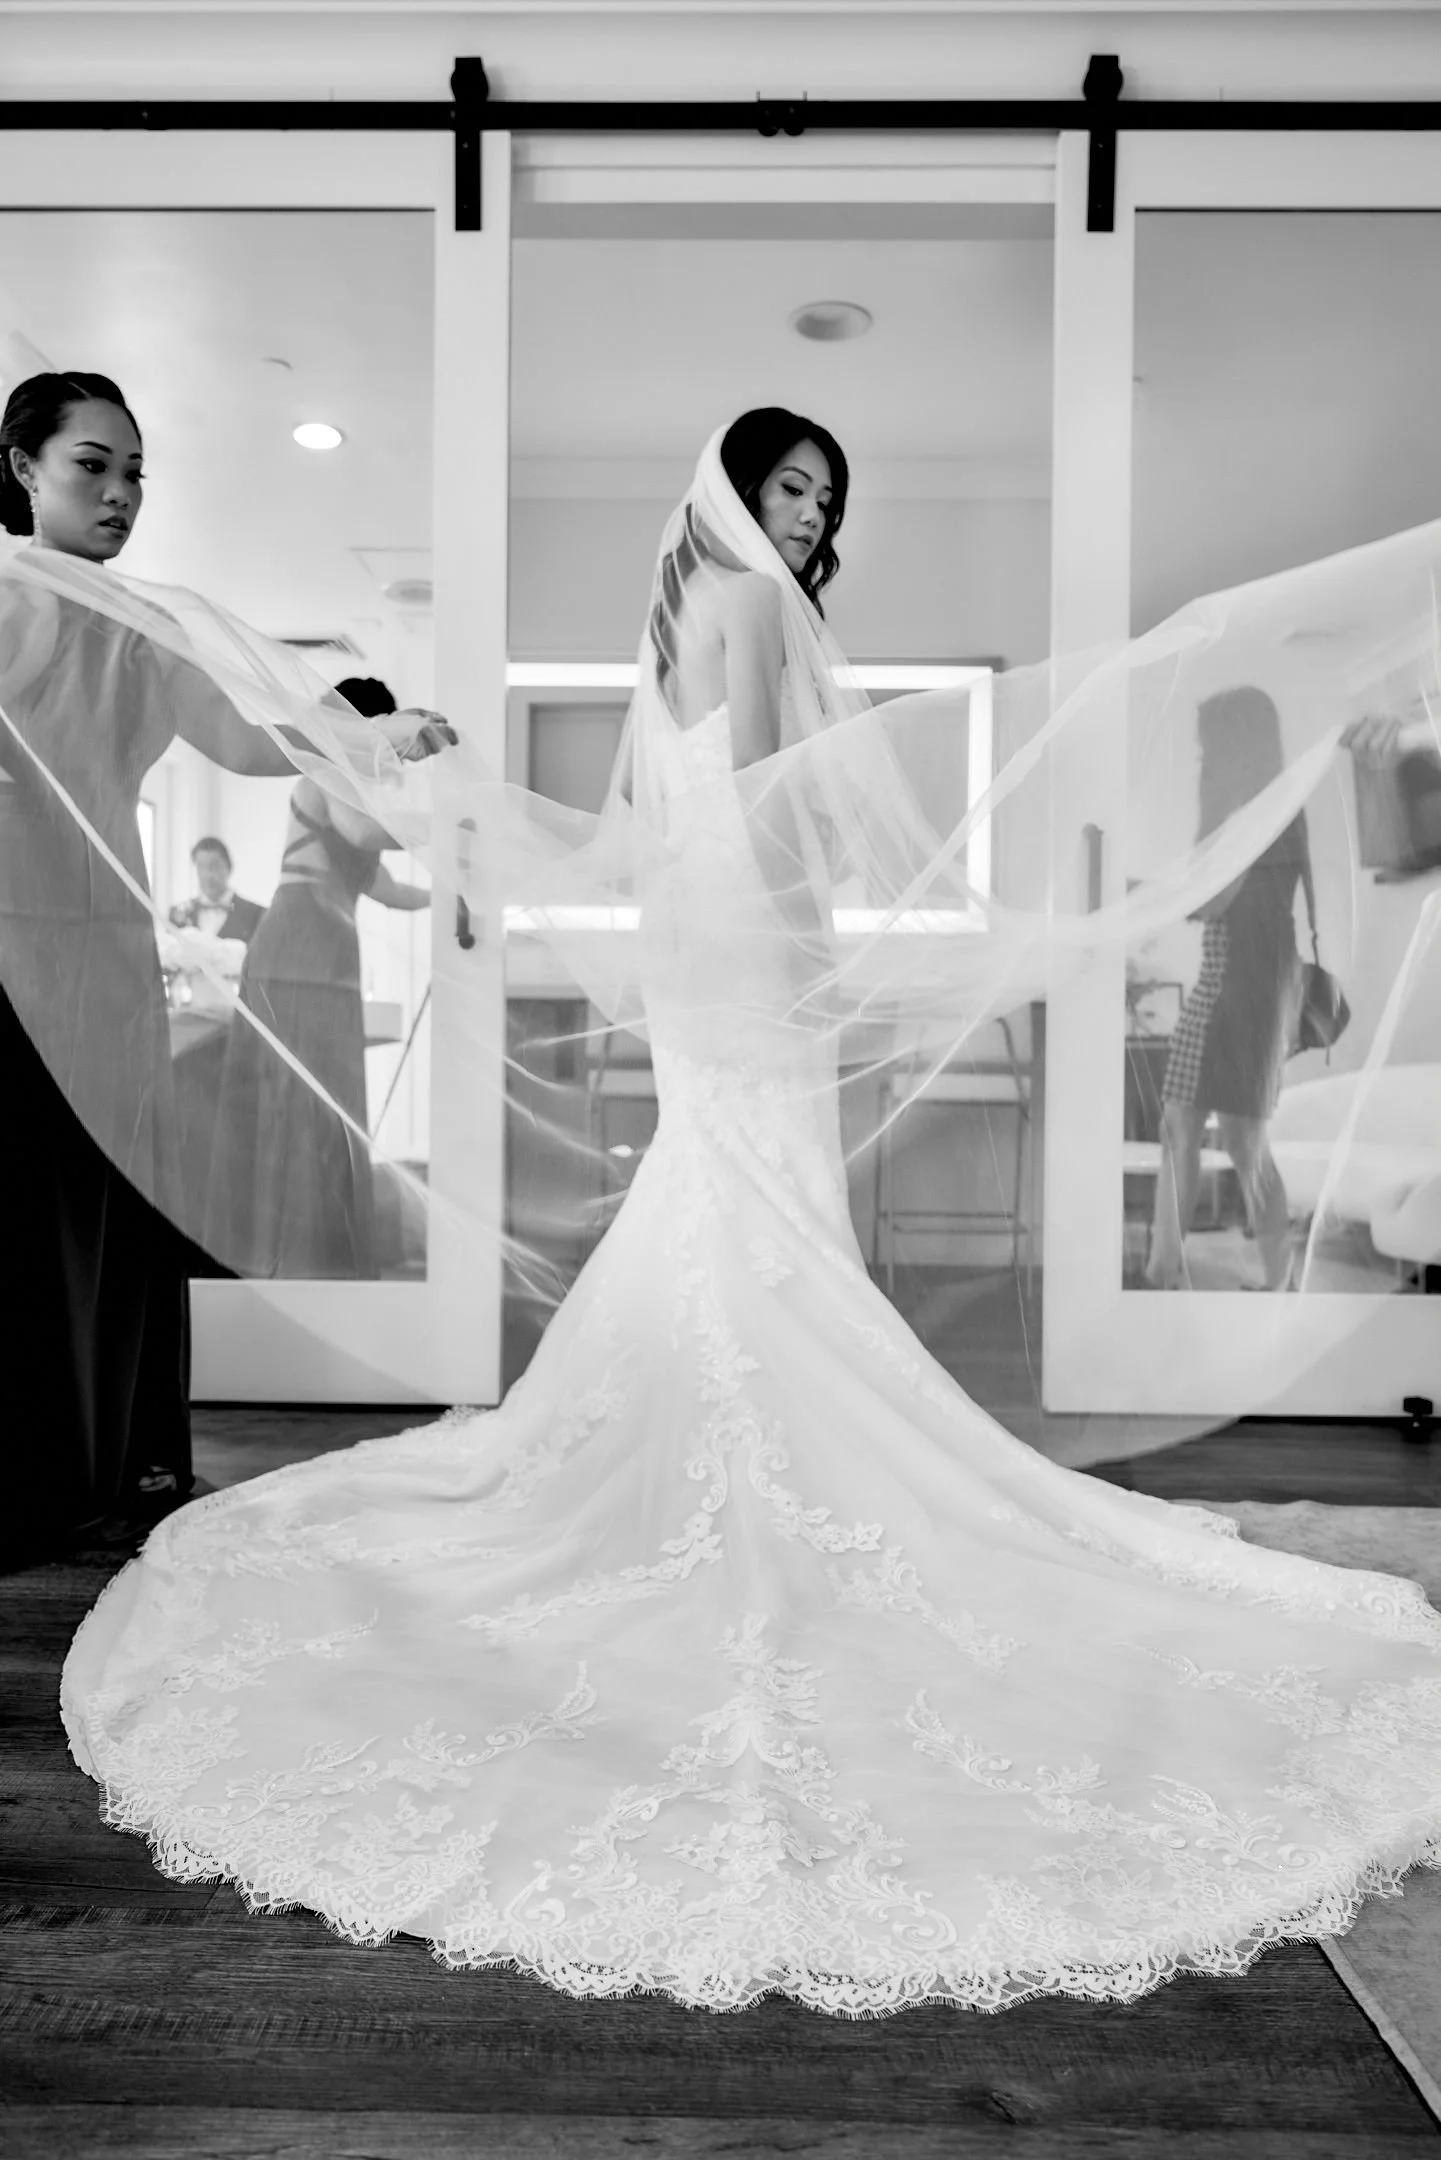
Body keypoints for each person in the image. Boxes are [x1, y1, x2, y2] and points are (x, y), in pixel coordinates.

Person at [59, 411, 1441, 2016]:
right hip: (753, 936)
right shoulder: (752, 606)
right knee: (761, 1206)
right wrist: (871, 933)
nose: (806, 519)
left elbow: (708, 812)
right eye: (792, 487)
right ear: (739, 488)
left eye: (824, 499)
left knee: (728, 1203)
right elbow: (806, 798)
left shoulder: (674, 619)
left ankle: (711, 1445)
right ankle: (749, 1459)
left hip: (706, 936)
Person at [0, 371, 453, 1561]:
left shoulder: (143, 627)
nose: (120, 492)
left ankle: (126, 1467)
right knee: (26, 1229)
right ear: (22, 469)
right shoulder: (1, 601)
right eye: (92, 465)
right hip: (10, 962)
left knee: (121, 1217)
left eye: (135, 470)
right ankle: (31, 1484)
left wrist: (374, 734)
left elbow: (248, 735)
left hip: (108, 958)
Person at [206, 676, 431, 1279]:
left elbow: (387, 889)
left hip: (330, 955)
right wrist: (445, 825)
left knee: (328, 1103)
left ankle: (322, 1253)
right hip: (297, 948)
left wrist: (451, 895)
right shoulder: (326, 774)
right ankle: (287, 1257)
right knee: (296, 1097)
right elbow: (361, 835)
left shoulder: (355, 792)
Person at [1146, 688, 1312, 1292]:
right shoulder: (1269, 806)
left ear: (1231, 746)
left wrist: (1152, 893)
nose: (1200, 758)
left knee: (1235, 1140)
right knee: (1190, 1128)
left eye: (1205, 747)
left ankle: (1269, 1277)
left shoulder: (1252, 811)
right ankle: (1170, 1268)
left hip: (1242, 992)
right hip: (1240, 986)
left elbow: (1212, 900)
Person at [169, 836, 263, 943]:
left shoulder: (255, 914)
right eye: (201, 866)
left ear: (229, 868)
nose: (208, 875)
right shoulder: (178, 913)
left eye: (214, 866)